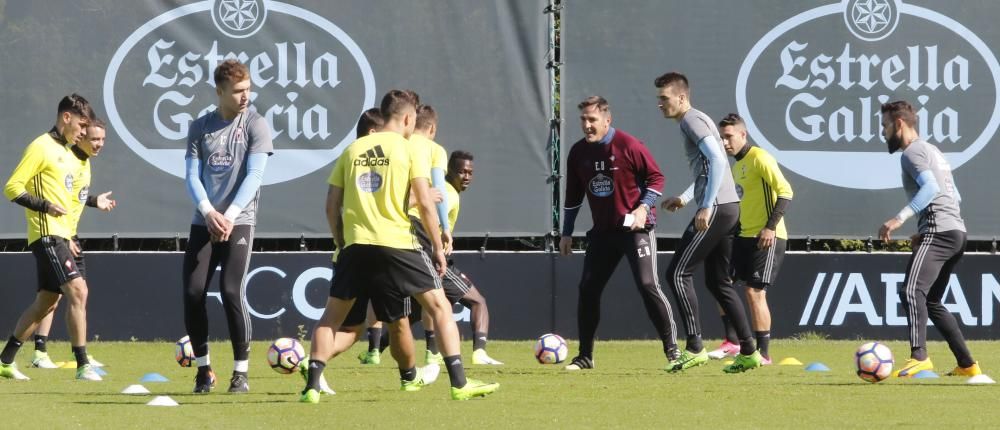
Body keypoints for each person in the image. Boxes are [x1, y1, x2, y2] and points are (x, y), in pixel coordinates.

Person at [300, 89, 498, 403]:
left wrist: (342, 241)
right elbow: (423, 200)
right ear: (407, 118)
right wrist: (437, 242)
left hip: (355, 245)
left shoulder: (352, 150)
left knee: (331, 319)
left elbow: (331, 205)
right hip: (397, 243)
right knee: (439, 307)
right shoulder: (407, 151)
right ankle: (459, 383)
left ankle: (311, 387)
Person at [559, 96, 677, 371]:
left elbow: (656, 178)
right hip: (602, 233)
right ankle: (585, 356)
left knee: (648, 285)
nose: (587, 125)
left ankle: (673, 351)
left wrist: (642, 208)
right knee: (588, 289)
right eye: (583, 120)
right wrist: (566, 233)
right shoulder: (578, 153)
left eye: (592, 120)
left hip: (636, 229)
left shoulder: (628, 144)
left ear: (607, 120)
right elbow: (573, 197)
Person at [655, 72, 761, 373]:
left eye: (664, 99)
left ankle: (694, 347)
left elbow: (717, 160)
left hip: (717, 208)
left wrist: (705, 206)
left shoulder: (691, 120)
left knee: (677, 273)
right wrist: (688, 198)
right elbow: (710, 167)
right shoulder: (695, 120)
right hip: (727, 207)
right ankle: (750, 351)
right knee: (718, 282)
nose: (660, 105)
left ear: (681, 97)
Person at [182, 59, 273, 393]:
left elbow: (256, 176)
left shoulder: (256, 124)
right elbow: (191, 177)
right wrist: (208, 213)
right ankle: (204, 371)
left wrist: (230, 216)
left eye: (248, 88)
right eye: (237, 91)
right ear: (219, 91)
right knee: (192, 293)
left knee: (232, 290)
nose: (245, 95)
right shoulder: (200, 127)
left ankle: (241, 373)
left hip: (239, 222)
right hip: (204, 221)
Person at [1, 94, 102, 381]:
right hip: (46, 234)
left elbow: (70, 199)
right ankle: (82, 364)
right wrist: (44, 206)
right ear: (65, 117)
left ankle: (5, 360)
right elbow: (12, 188)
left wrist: (70, 232)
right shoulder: (40, 147)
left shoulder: (68, 153)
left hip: (61, 235)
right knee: (78, 291)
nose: (84, 132)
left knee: (46, 302)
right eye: (81, 125)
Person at [877, 100, 981, 378]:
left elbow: (932, 188)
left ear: (899, 124)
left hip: (941, 230)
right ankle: (967, 365)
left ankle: (919, 356)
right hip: (955, 231)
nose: (883, 133)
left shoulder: (911, 153)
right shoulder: (933, 151)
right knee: (932, 300)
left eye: (885, 126)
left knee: (911, 291)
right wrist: (927, 228)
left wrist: (899, 218)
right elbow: (954, 194)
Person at [405, 108, 502, 367]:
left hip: (414, 248)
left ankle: (378, 349)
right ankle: (478, 353)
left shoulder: (438, 186)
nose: (467, 176)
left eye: (470, 172)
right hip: (430, 251)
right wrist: (440, 242)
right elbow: (429, 217)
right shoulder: (445, 192)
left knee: (411, 312)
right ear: (448, 170)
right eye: (462, 172)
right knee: (477, 301)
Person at [30, 119, 116, 370]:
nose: (99, 144)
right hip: (57, 234)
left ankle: (38, 352)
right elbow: (56, 197)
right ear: (81, 137)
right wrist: (66, 236)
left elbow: (73, 197)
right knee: (67, 294)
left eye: (102, 140)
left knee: (56, 296)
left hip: (68, 234)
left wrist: (93, 201)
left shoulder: (84, 161)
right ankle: (51, 354)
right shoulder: (67, 158)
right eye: (94, 139)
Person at [713, 113, 793, 365]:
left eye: (728, 137)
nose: (725, 143)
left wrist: (770, 227)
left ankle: (764, 353)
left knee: (754, 291)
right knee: (721, 283)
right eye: (721, 138)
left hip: (767, 237)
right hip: (744, 235)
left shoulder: (760, 157)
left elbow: (786, 191)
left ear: (743, 134)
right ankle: (732, 343)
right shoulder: (737, 166)